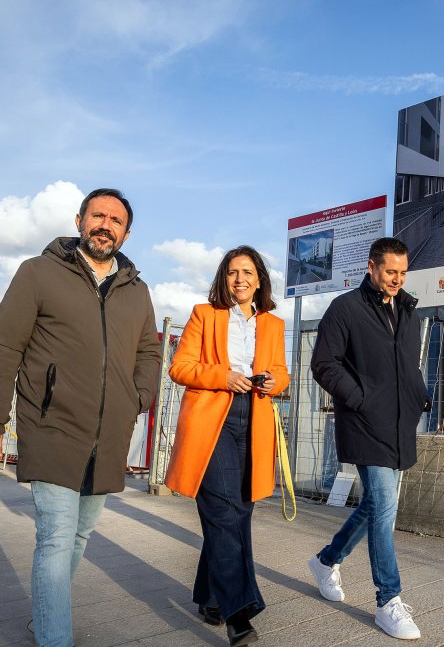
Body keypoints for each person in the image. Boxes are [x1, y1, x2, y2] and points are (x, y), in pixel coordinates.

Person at [0, 188, 162, 647]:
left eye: (116, 220)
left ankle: (45, 613)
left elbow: (149, 351)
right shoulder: (38, 273)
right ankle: (56, 637)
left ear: (126, 232)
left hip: (109, 433)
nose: (105, 225)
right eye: (98, 215)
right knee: (56, 537)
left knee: (79, 535)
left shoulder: (137, 290)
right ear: (79, 220)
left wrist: (138, 396)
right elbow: (4, 344)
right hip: (51, 423)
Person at [163, 245, 289, 647]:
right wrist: (224, 376)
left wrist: (274, 382)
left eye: (248, 272)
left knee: (238, 513)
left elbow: (283, 372)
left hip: (254, 421)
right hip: (211, 422)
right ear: (224, 277)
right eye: (233, 272)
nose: (240, 279)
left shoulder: (273, 324)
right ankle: (239, 613)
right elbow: (179, 367)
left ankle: (211, 598)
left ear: (259, 279)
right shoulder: (205, 314)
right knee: (224, 514)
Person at [307, 237, 430, 641]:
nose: (397, 279)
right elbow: (324, 363)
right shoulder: (345, 309)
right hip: (364, 422)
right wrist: (359, 398)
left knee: (380, 505)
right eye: (390, 271)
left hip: (398, 424)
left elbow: (407, 365)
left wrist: (419, 395)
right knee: (384, 509)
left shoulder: (407, 310)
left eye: (402, 272)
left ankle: (327, 560)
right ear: (372, 267)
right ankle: (388, 601)